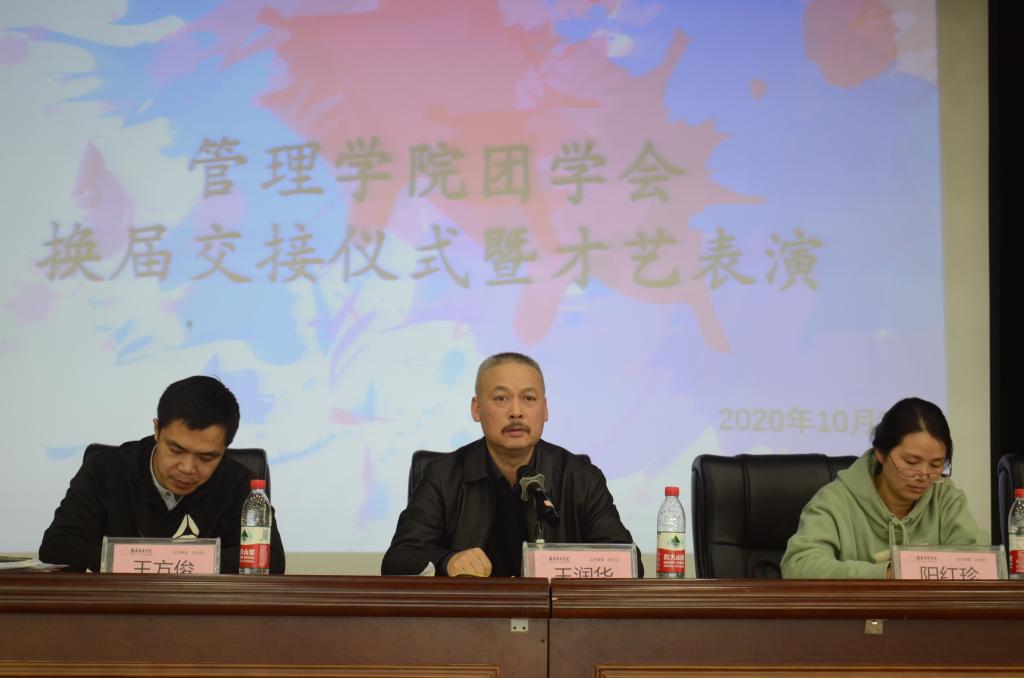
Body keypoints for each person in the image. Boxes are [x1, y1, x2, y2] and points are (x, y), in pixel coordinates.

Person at [381, 352, 640, 577]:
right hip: (468, 614)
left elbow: (629, 564)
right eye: (501, 399)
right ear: (476, 409)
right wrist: (447, 561)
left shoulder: (580, 478)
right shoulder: (442, 476)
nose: (516, 412)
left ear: (545, 409)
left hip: (555, 615)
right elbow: (397, 561)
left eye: (529, 398)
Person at [39, 375, 286, 574]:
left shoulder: (239, 484)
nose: (187, 468)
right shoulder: (106, 469)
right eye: (176, 450)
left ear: (225, 448)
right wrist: (164, 560)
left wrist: (147, 560)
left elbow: (270, 561)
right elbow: (57, 548)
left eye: (206, 457)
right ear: (157, 430)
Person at [781, 397, 986, 579]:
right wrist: (885, 575)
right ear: (880, 452)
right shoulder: (835, 501)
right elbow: (799, 565)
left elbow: (981, 562)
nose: (923, 476)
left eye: (936, 465)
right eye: (911, 462)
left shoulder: (945, 498)